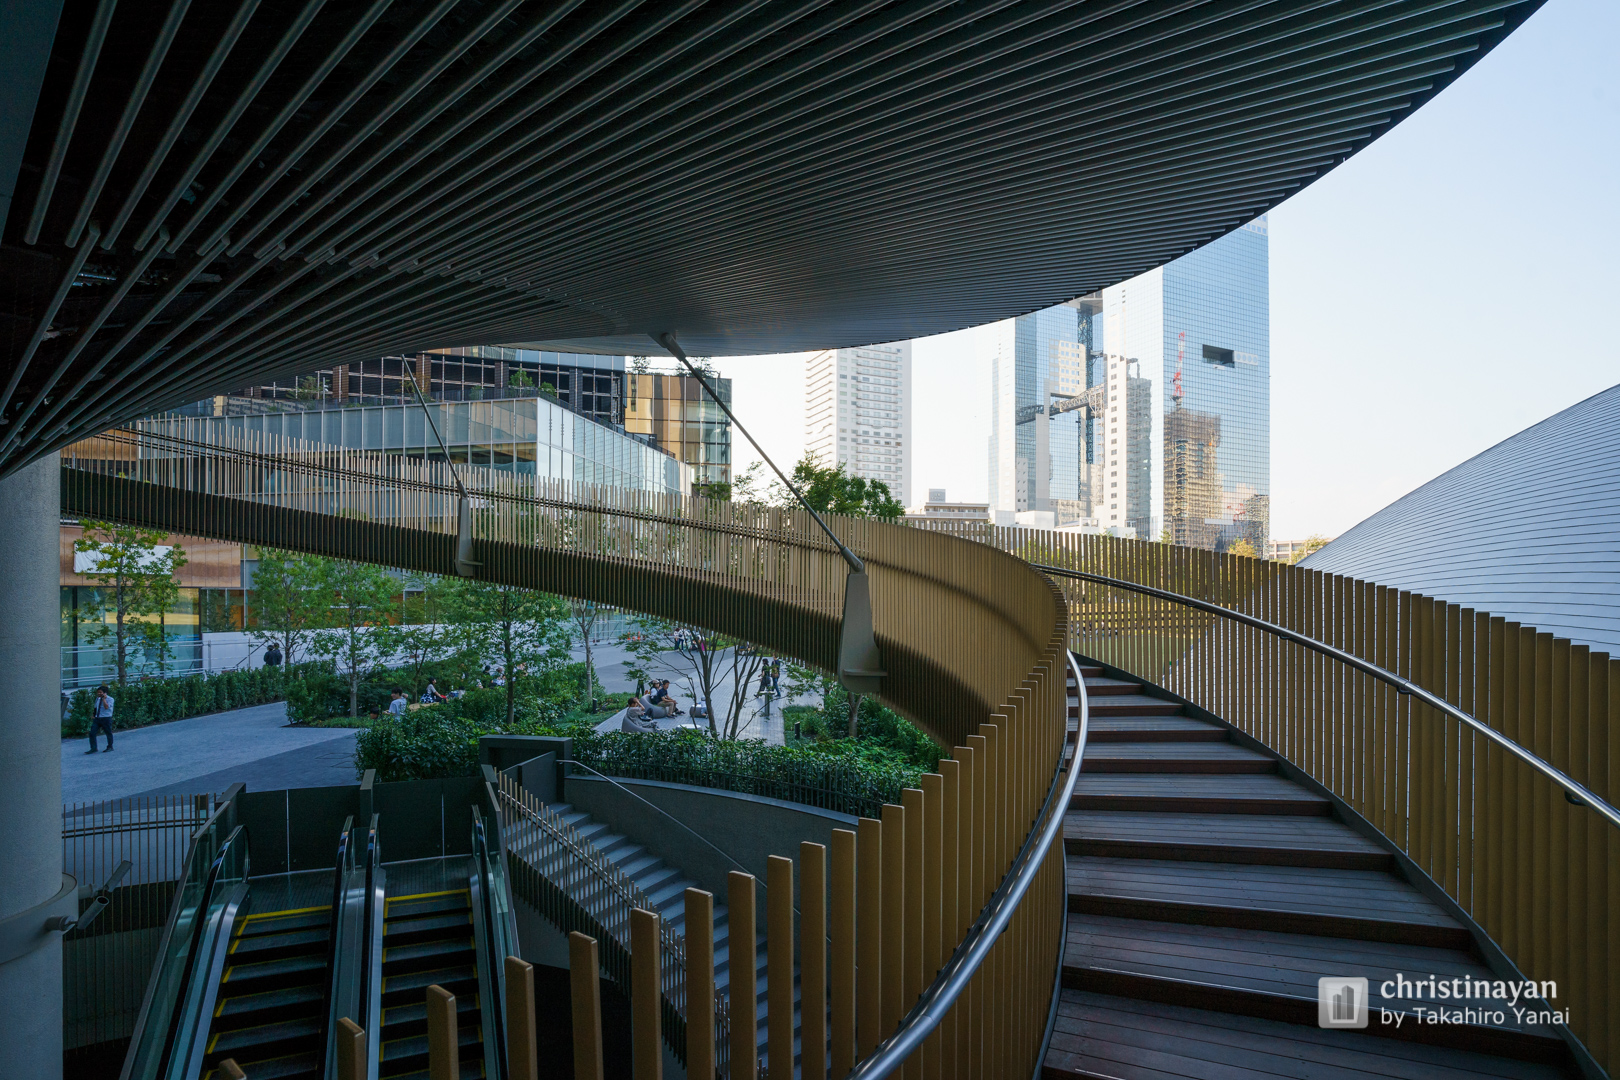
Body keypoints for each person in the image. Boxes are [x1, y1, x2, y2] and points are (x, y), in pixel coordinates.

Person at [87, 685, 115, 753]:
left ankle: (110, 746)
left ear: (105, 693)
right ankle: (93, 748)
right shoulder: (97, 699)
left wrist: (104, 699)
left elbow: (106, 707)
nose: (99, 694)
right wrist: (94, 715)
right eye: (98, 692)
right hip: (97, 718)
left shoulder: (110, 699)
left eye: (100, 692)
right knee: (92, 733)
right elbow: (95, 707)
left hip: (106, 718)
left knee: (108, 733)